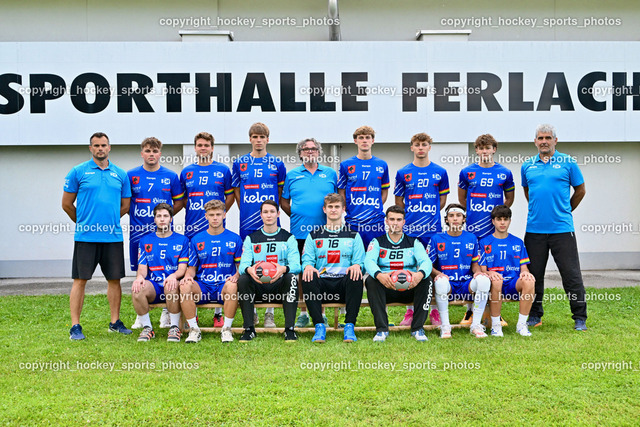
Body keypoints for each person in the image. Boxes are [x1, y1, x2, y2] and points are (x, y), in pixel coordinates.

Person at [62, 132, 132, 340]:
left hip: (113, 237)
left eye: (103, 145)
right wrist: (83, 222)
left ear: (109, 148)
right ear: (90, 148)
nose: (100, 148)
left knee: (114, 280)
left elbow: (125, 206)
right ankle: (75, 326)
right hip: (85, 238)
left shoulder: (120, 174)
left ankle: (115, 322)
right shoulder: (78, 171)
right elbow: (66, 204)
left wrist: (109, 221)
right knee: (80, 280)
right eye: (96, 145)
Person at [521, 124, 587, 331]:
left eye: (548, 138)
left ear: (555, 141)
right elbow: (528, 192)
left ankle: (579, 317)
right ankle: (535, 315)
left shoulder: (568, 162)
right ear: (535, 141)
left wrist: (566, 210)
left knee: (571, 275)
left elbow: (580, 190)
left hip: (562, 230)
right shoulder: (527, 165)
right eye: (540, 138)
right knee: (534, 275)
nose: (544, 141)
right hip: (534, 231)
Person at [232, 122, 287, 326]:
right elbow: (236, 190)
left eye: (262, 137)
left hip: (271, 222)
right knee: (251, 263)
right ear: (250, 139)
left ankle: (269, 312)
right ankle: (253, 310)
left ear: (267, 140)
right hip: (248, 221)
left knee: (272, 260)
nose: (258, 140)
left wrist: (271, 211)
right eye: (255, 137)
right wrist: (245, 208)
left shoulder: (277, 164)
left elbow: (280, 192)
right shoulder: (240, 163)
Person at [457, 133, 515, 326]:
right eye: (481, 148)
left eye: (488, 148)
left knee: (492, 268)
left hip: (492, 229)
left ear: (494, 150)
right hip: (474, 227)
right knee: (472, 267)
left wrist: (498, 215)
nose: (484, 151)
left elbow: (509, 199)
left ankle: (493, 311)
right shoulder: (467, 172)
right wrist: (475, 213)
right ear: (476, 150)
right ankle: (470, 311)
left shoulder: (504, 172)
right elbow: (462, 200)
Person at [128, 137, 184, 330]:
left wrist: (164, 217)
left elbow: (179, 202)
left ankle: (167, 311)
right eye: (147, 151)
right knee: (141, 273)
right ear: (142, 153)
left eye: (154, 151)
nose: (151, 154)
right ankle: (141, 315)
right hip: (138, 232)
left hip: (164, 232)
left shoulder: (171, 176)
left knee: (168, 268)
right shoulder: (131, 175)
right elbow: (126, 202)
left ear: (160, 153)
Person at [281, 138, 338, 328]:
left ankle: (322, 313)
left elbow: (336, 199)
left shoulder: (330, 173)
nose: (310, 151)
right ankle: (304, 313)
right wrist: (297, 214)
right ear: (300, 153)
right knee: (301, 274)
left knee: (322, 272)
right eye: (305, 149)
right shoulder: (292, 175)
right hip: (299, 233)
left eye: (313, 149)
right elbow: (284, 202)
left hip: (324, 233)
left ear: (319, 152)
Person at [394, 132, 449, 328]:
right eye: (417, 144)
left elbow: (441, 201)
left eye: (424, 144)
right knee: (410, 266)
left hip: (432, 230)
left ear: (429, 147)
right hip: (411, 230)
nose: (420, 148)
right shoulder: (403, 172)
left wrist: (428, 214)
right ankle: (410, 310)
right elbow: (399, 202)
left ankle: (434, 310)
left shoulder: (440, 172)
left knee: (433, 269)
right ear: (412, 147)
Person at [180, 131, 234, 327]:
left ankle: (218, 314)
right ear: (195, 148)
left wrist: (218, 214)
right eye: (200, 145)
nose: (203, 148)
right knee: (191, 269)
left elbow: (230, 196)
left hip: (217, 228)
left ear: (212, 148)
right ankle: (188, 314)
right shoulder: (187, 172)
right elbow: (183, 199)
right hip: (193, 228)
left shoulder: (223, 170)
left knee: (219, 264)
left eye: (206, 145)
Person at [301, 193, 366, 343]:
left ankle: (349, 326)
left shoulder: (353, 235)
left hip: (344, 286)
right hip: (323, 285)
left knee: (356, 274)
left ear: (343, 209)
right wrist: (308, 266)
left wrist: (357, 265)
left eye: (337, 206)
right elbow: (307, 260)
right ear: (324, 209)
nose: (333, 210)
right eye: (330, 207)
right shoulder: (314, 235)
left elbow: (360, 262)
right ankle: (319, 326)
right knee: (308, 275)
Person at [364, 205, 433, 342]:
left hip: (409, 287)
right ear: (386, 221)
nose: (395, 223)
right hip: (387, 288)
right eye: (392, 219)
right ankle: (382, 330)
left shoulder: (414, 242)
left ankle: (417, 329)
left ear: (404, 222)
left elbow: (426, 262)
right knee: (371, 280)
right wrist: (379, 275)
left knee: (427, 279)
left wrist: (419, 274)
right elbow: (369, 261)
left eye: (399, 219)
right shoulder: (377, 242)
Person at [177, 200, 242, 343]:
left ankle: (226, 329)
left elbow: (240, 267)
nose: (215, 218)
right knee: (184, 285)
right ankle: (194, 330)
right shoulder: (197, 239)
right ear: (206, 216)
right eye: (211, 215)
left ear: (224, 215)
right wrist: (187, 277)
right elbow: (192, 268)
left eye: (218, 214)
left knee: (233, 285)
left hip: (224, 286)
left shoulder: (235, 238)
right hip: (203, 287)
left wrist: (236, 276)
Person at [237, 200, 301, 342]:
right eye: (265, 212)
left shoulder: (288, 238)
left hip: (279, 287)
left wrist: (283, 269)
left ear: (278, 214)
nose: (269, 215)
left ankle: (290, 330)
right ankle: (249, 330)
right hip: (259, 286)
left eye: (272, 212)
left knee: (291, 277)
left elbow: (297, 266)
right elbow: (242, 267)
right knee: (243, 279)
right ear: (261, 215)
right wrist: (250, 269)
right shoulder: (251, 239)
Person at [429, 204, 491, 339]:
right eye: (451, 216)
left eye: (458, 215)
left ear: (464, 219)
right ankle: (445, 326)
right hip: (448, 283)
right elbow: (429, 265)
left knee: (484, 280)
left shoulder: (472, 238)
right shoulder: (436, 238)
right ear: (446, 220)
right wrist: (438, 274)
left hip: (466, 283)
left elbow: (475, 263)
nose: (455, 219)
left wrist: (477, 272)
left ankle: (476, 325)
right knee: (440, 282)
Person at [131, 203, 189, 342]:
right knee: (137, 289)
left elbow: (182, 269)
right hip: (155, 286)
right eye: (159, 216)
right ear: (154, 219)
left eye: (165, 216)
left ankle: (174, 327)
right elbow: (142, 269)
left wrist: (173, 276)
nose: (162, 219)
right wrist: (139, 278)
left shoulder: (182, 240)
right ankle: (147, 328)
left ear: (171, 219)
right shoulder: (145, 241)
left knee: (171, 285)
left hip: (173, 285)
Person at [479, 205, 535, 337]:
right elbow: (482, 270)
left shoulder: (517, 242)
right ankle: (496, 326)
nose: (502, 223)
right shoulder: (484, 242)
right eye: (499, 219)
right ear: (493, 221)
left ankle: (522, 325)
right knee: (497, 281)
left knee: (529, 281)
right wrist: (490, 273)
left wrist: (525, 273)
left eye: (505, 219)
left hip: (512, 283)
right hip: (494, 283)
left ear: (510, 221)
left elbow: (524, 267)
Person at [338, 125, 389, 248]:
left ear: (373, 140)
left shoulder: (382, 164)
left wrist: (374, 207)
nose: (364, 140)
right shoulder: (346, 164)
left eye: (367, 137)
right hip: (353, 221)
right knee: (353, 256)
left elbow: (384, 191)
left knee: (375, 256)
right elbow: (341, 191)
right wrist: (349, 207)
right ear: (355, 141)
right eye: (361, 138)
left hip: (375, 222)